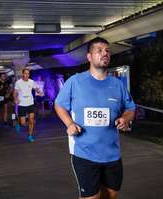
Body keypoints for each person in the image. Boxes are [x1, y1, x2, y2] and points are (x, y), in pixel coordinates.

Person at [54, 37, 136, 199]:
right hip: (85, 154)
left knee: (110, 196)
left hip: (112, 154)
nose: (104, 53)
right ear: (89, 57)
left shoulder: (117, 84)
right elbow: (59, 105)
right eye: (99, 50)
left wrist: (126, 119)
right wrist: (69, 123)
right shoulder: (75, 82)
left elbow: (130, 108)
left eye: (107, 51)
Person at [13, 69, 43, 142]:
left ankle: (30, 136)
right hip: (22, 104)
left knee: (31, 121)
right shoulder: (18, 82)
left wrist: (39, 92)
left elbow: (36, 88)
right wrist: (15, 98)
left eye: (28, 73)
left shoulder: (31, 81)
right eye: (25, 73)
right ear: (22, 74)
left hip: (30, 103)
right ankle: (19, 124)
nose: (27, 75)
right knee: (23, 123)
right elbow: (15, 92)